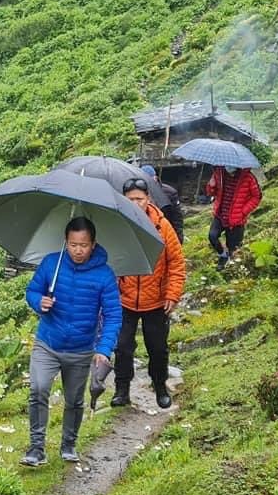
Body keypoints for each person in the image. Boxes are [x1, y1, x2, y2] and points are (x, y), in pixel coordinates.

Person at [22, 217, 122, 466]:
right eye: (73, 244)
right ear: (66, 242)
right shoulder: (51, 264)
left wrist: (104, 349)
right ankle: (36, 447)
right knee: (38, 389)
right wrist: (40, 302)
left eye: (84, 245)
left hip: (80, 348)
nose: (78, 250)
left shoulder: (104, 275)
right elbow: (32, 291)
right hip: (48, 342)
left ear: (93, 244)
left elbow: (113, 315)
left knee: (74, 400)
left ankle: (69, 444)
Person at [113, 177, 186, 409]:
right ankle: (122, 390)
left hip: (156, 301)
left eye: (139, 199)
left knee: (157, 347)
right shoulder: (118, 225)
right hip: (124, 300)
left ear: (148, 199)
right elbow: (109, 260)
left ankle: (160, 388)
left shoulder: (162, 227)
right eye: (130, 199)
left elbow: (176, 263)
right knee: (123, 347)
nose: (135, 203)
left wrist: (172, 294)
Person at [206, 165, 262, 270]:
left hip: (237, 219)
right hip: (220, 215)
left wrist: (243, 212)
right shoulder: (219, 173)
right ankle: (223, 255)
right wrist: (211, 185)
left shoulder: (248, 178)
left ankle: (231, 267)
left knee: (234, 247)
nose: (229, 167)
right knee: (212, 236)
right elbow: (211, 192)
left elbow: (257, 196)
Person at [140, 164, 184, 243]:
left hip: (165, 231)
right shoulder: (138, 193)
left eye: (150, 179)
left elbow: (177, 217)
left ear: (155, 178)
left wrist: (178, 237)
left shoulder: (169, 192)